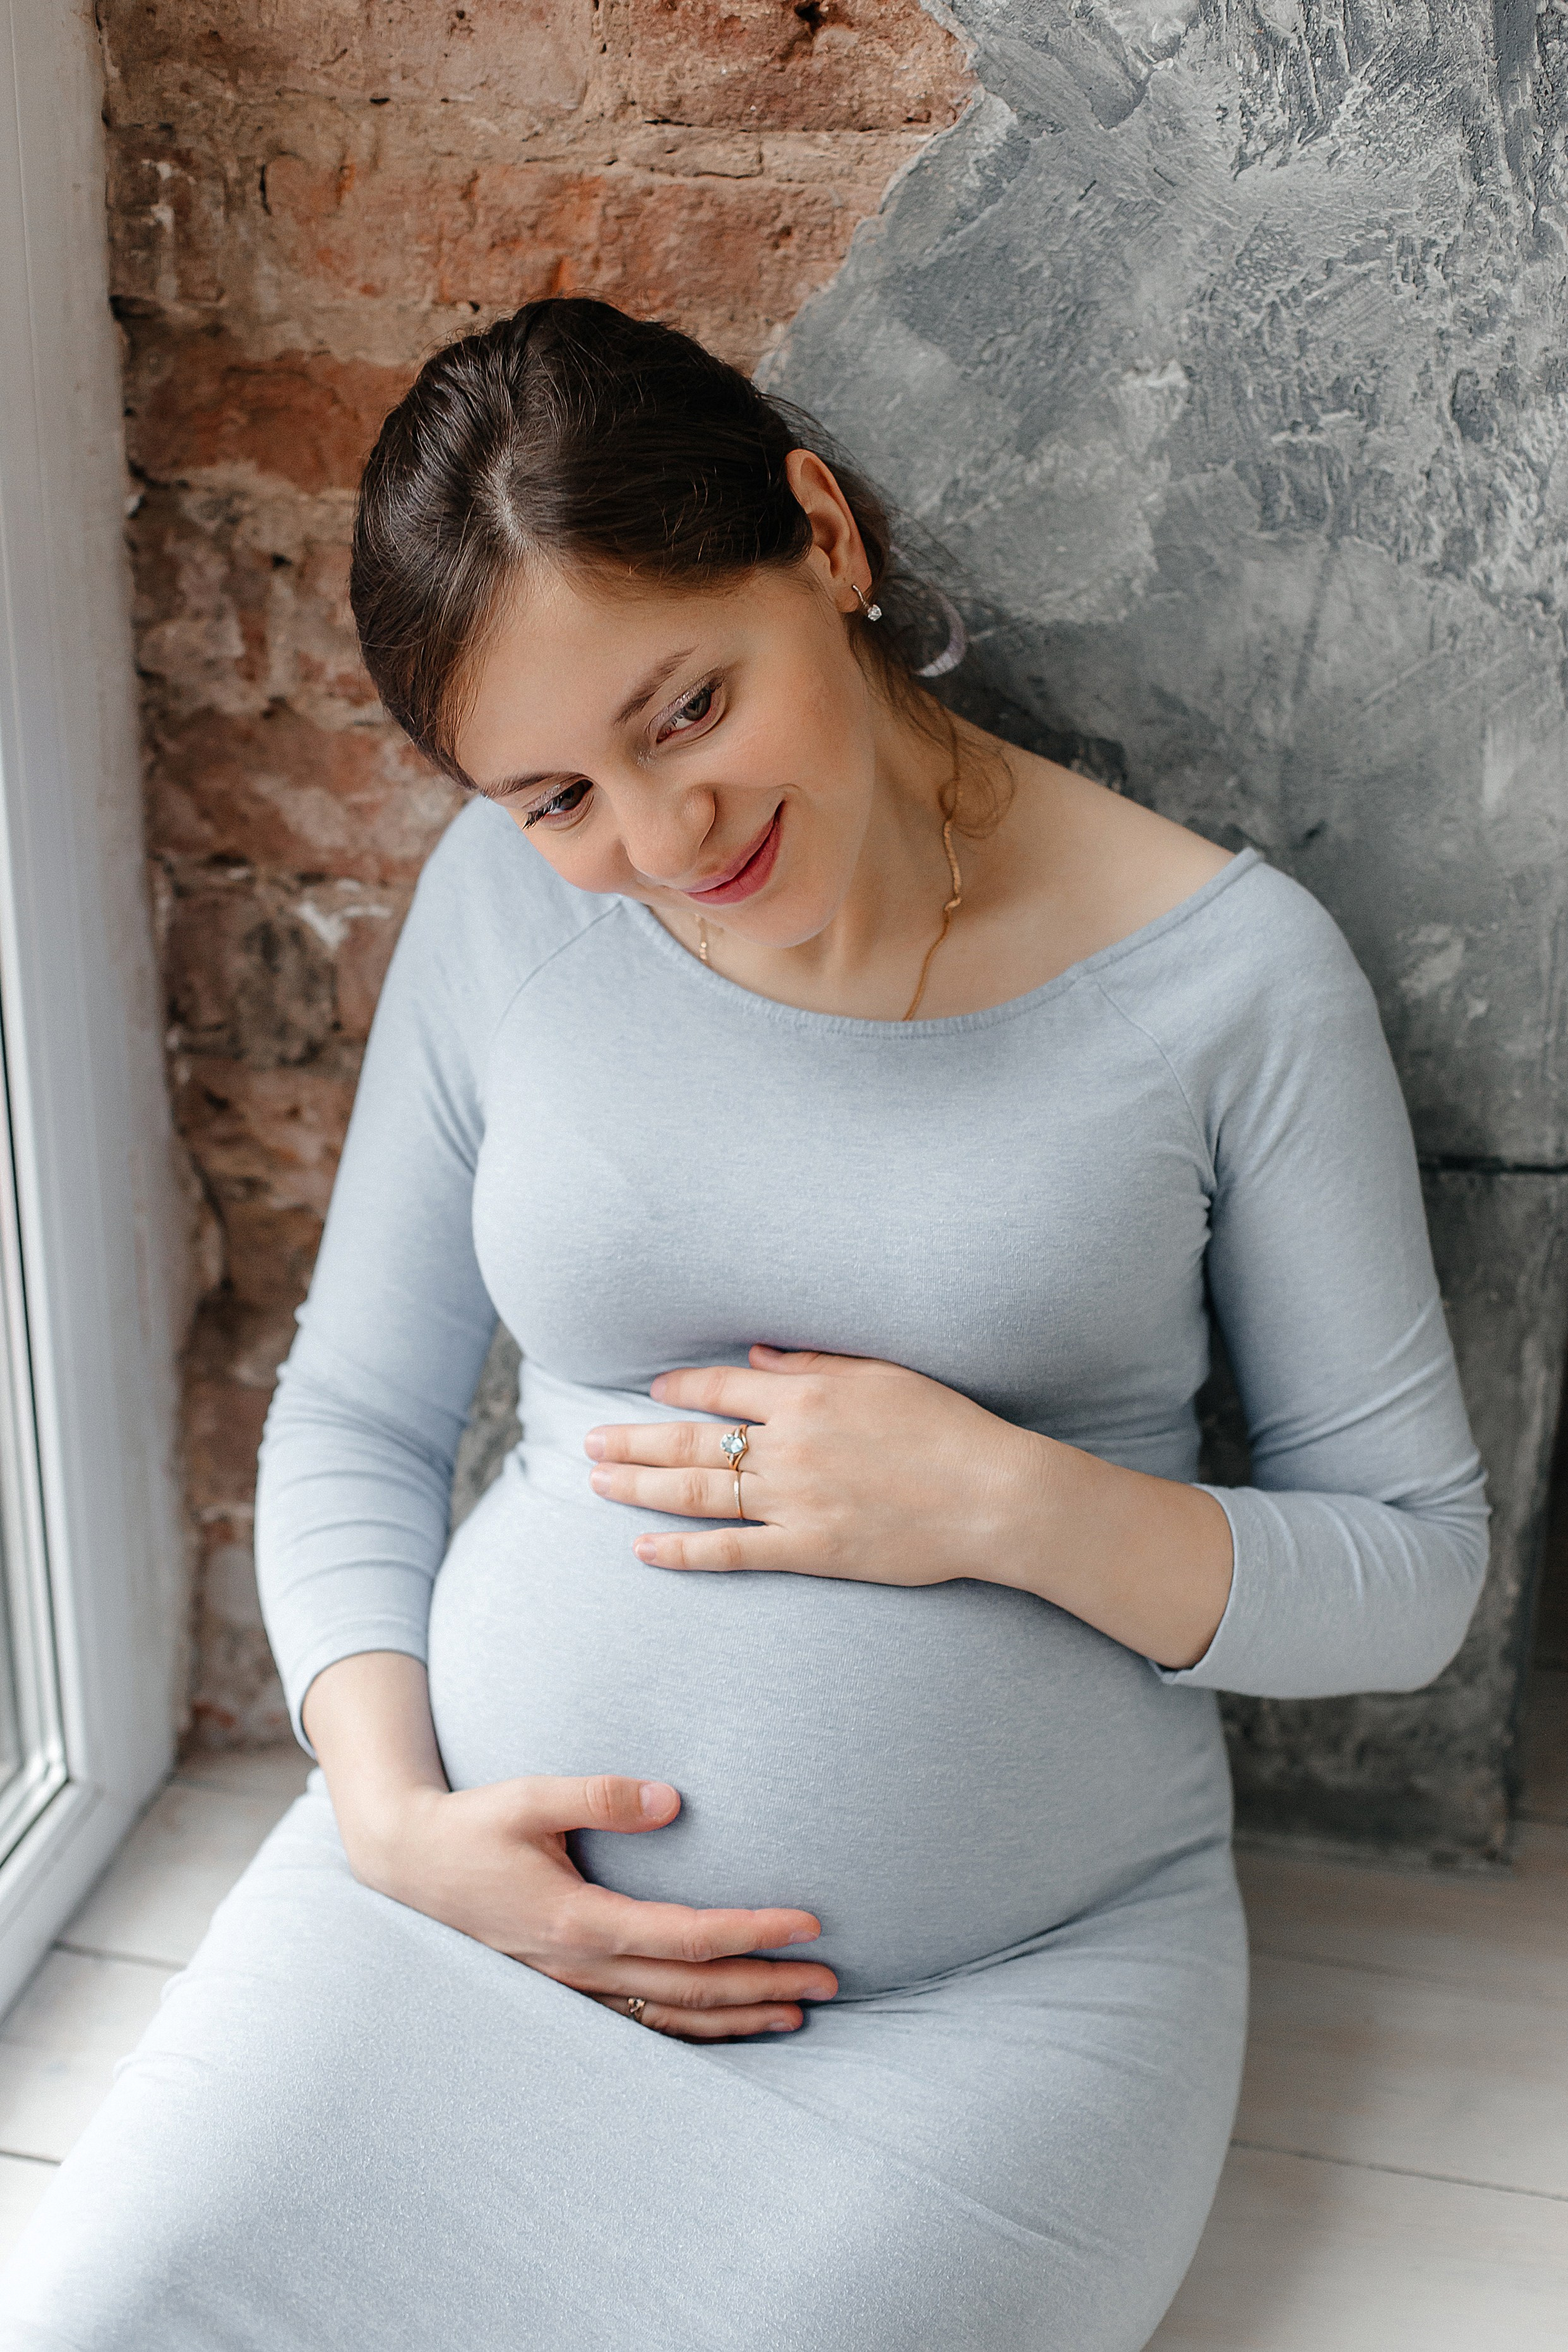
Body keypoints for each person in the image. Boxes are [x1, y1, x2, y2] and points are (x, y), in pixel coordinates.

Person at [0, 297, 1488, 2352]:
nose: (661, 841)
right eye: (556, 792)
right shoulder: (507, 909)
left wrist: (999, 1497)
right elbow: (352, 1407)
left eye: (686, 708)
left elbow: (1410, 1574)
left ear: (819, 536)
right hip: (450, 1934)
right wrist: (395, 1821)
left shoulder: (1226, 986)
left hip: (980, 2017)